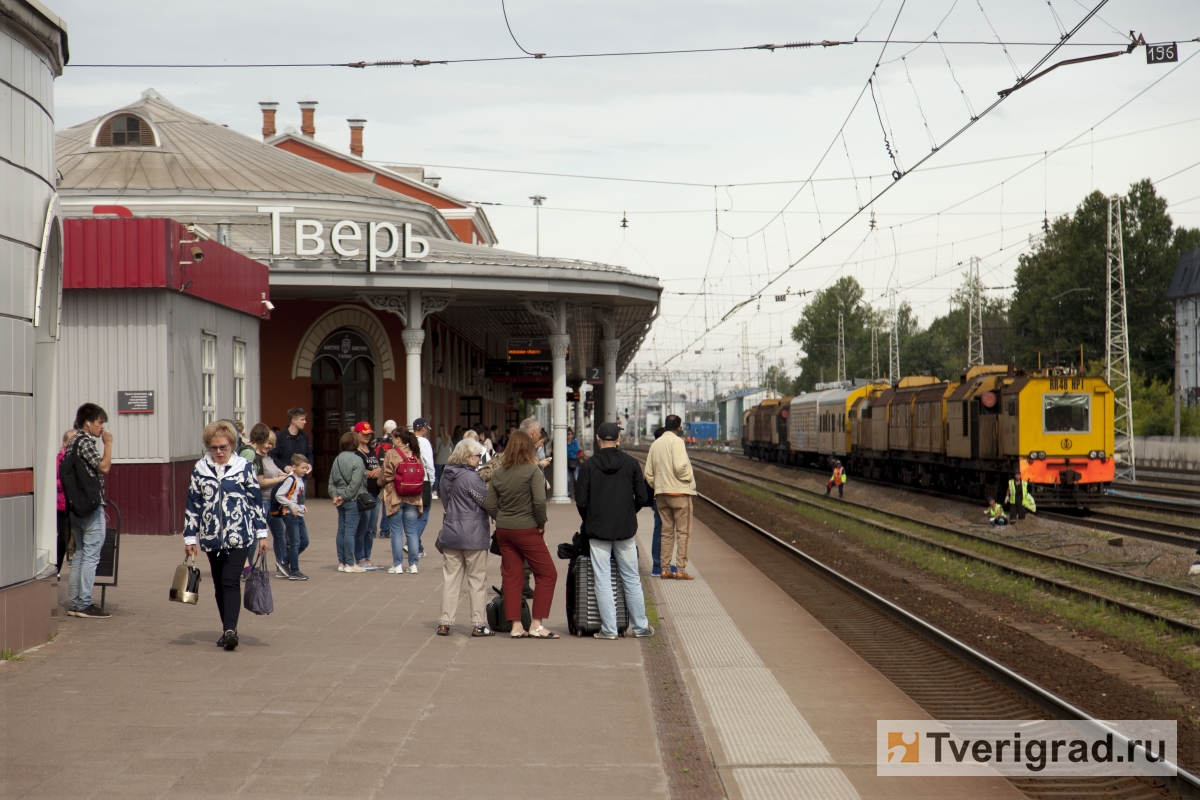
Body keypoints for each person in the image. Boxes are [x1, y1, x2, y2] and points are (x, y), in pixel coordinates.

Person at [183, 420, 270, 650]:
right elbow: (193, 503)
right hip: (211, 537)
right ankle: (226, 629)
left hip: (239, 535)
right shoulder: (200, 469)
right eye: (214, 447)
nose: (219, 452)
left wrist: (262, 534)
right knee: (220, 585)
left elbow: (255, 501)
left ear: (232, 444)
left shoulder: (243, 467)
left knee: (230, 581)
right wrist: (190, 537)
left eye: (223, 447)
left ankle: (231, 631)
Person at [575, 423, 655, 639]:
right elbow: (643, 497)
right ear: (619, 439)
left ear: (598, 439)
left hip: (597, 530)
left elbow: (581, 501)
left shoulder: (588, 466)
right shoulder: (631, 464)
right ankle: (640, 627)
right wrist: (629, 513)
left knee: (602, 578)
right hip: (625, 530)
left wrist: (591, 518)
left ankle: (609, 629)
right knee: (631, 577)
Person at [484, 430, 559, 639]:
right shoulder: (533, 471)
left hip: (504, 532)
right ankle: (536, 625)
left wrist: (502, 518)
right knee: (547, 574)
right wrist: (541, 522)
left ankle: (516, 626)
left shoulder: (499, 472)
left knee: (511, 577)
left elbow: (489, 504)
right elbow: (539, 501)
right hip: (527, 529)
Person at [435, 439, 493, 637]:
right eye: (478, 456)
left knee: (450, 580)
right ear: (468, 457)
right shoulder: (471, 477)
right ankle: (478, 623)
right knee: (477, 581)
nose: (480, 460)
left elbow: (446, 501)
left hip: (450, 531)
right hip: (474, 534)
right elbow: (486, 502)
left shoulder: (446, 475)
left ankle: (444, 622)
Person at [65, 403, 113, 619]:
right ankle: (84, 602)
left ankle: (75, 602)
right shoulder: (85, 442)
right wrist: (108, 445)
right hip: (91, 507)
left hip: (76, 506)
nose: (102, 427)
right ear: (88, 422)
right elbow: (103, 467)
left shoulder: (72, 442)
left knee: (80, 554)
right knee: (91, 555)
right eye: (100, 422)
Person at [643, 414, 696, 581]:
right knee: (683, 532)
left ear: (665, 426)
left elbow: (648, 473)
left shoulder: (655, 444)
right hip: (680, 493)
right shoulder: (678, 441)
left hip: (662, 495)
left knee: (666, 533)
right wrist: (688, 478)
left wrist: (658, 485)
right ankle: (680, 569)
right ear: (679, 428)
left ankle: (664, 569)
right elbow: (680, 466)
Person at [247, 423, 291, 577]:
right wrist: (280, 479)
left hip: (273, 501)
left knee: (280, 533)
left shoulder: (268, 458)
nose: (268, 446)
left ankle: (282, 565)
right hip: (262, 500)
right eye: (266, 442)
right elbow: (261, 482)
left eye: (271, 444)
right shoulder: (255, 458)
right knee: (255, 535)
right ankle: (248, 567)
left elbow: (275, 471)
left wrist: (285, 474)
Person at [381, 429, 426, 573]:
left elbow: (386, 475)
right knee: (412, 531)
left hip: (396, 496)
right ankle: (413, 565)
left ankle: (398, 565)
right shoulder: (415, 453)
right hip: (413, 497)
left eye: (393, 438)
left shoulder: (391, 454)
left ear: (398, 439)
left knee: (396, 531)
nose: (392, 440)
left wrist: (381, 483)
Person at [329, 430, 368, 573]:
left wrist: (336, 496)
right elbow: (355, 483)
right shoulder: (357, 460)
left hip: (340, 500)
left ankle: (342, 562)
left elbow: (331, 482)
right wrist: (344, 496)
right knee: (350, 531)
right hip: (352, 499)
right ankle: (350, 563)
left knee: (341, 531)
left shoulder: (337, 459)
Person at [275, 455, 312, 580]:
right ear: (294, 467)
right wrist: (292, 506)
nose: (304, 470)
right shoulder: (290, 479)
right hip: (290, 515)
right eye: (302, 468)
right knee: (295, 543)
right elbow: (279, 495)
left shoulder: (300, 479)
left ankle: (284, 561)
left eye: (306, 468)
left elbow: (297, 496)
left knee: (304, 542)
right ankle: (294, 571)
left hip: (299, 514)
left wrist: (302, 505)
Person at [353, 422, 384, 570]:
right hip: (363, 494)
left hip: (375, 493)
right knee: (362, 527)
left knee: (372, 528)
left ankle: (367, 556)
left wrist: (379, 471)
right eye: (364, 433)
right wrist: (370, 473)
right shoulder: (355, 451)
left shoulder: (371, 449)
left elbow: (375, 466)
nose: (367, 436)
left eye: (368, 433)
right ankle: (359, 557)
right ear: (357, 434)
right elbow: (356, 470)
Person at [412, 418, 436, 559]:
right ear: (423, 428)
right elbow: (429, 462)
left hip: (410, 481)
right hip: (423, 480)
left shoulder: (408, 441)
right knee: (423, 515)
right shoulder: (424, 442)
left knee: (413, 514)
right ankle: (411, 542)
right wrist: (432, 480)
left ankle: (418, 547)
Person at [647, 427, 669, 578]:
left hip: (657, 495)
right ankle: (661, 564)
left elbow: (648, 474)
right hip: (665, 495)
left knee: (659, 530)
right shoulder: (665, 453)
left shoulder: (653, 451)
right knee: (665, 531)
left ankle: (658, 564)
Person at [56, 429, 77, 574]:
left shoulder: (78, 458)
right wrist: (67, 484)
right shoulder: (58, 459)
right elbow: (55, 481)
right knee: (63, 539)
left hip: (77, 505)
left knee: (79, 539)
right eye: (71, 440)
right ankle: (56, 569)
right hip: (63, 505)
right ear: (65, 442)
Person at [375, 420, 397, 538]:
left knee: (374, 502)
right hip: (389, 475)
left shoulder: (376, 441)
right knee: (386, 503)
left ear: (384, 429)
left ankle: (372, 530)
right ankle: (385, 530)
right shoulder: (395, 443)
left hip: (376, 474)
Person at [434, 424, 453, 496]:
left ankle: (435, 491)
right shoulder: (449, 438)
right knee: (446, 476)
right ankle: (446, 492)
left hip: (439, 460)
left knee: (436, 476)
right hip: (447, 460)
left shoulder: (438, 439)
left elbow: (436, 450)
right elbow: (453, 447)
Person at [566, 429, 580, 498]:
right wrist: (572, 452)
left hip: (574, 461)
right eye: (567, 434)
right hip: (567, 462)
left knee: (576, 478)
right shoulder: (564, 442)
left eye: (569, 434)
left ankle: (576, 492)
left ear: (572, 435)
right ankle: (568, 492)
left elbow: (577, 449)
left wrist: (570, 453)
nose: (568, 436)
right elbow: (565, 451)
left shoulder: (575, 441)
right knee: (568, 479)